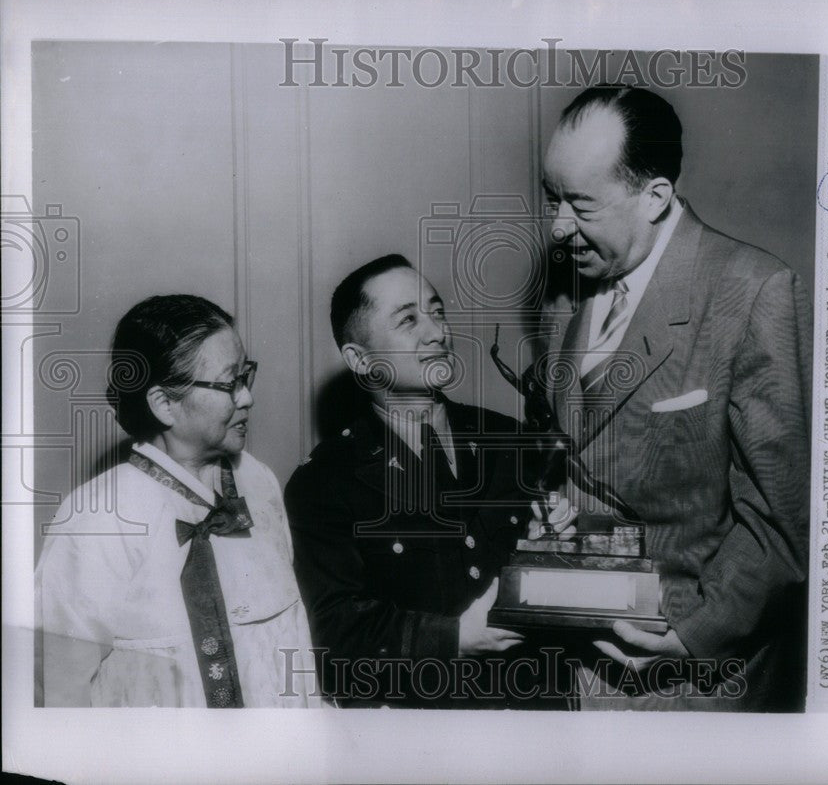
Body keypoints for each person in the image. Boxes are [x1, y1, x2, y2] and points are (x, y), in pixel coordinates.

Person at [539, 86, 812, 711]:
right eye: (551, 198)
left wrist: (693, 638)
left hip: (698, 682)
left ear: (655, 196)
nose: (557, 227)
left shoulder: (755, 291)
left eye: (580, 204)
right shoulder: (570, 287)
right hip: (585, 669)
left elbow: (781, 516)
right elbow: (582, 450)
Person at [285, 255, 573, 708]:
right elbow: (337, 637)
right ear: (360, 359)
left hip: (534, 713)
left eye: (437, 312)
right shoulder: (324, 482)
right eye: (408, 320)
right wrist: (454, 638)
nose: (437, 332)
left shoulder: (512, 441)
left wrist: (556, 545)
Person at [35, 295, 319, 708]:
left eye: (246, 376)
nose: (247, 398)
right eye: (228, 384)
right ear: (165, 403)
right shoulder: (96, 518)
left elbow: (294, 639)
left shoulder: (258, 482)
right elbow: (57, 690)